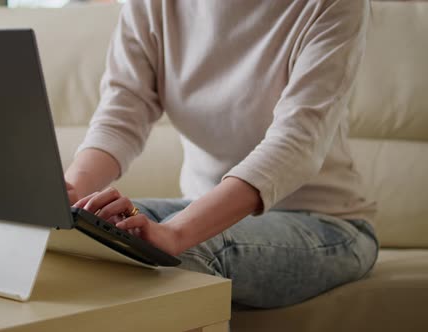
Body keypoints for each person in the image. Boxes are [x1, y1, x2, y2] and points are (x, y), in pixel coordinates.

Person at [64, 0, 378, 309]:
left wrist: (176, 233)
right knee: (90, 235)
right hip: (196, 207)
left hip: (324, 223)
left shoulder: (334, 5)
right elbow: (120, 119)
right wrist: (70, 196)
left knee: (179, 258)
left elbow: (295, 145)